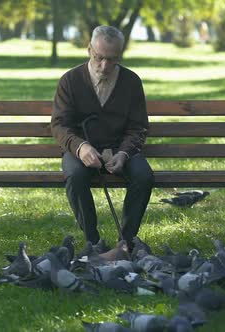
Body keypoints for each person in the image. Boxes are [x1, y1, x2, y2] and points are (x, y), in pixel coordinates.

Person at [51, 25, 154, 246]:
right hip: (81, 148)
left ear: (120, 55)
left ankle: (126, 241)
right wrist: (80, 147)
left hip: (121, 148)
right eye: (99, 58)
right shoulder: (70, 81)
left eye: (112, 59)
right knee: (75, 177)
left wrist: (125, 153)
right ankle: (93, 241)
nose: (105, 66)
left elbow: (138, 127)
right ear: (89, 50)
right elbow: (60, 125)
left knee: (144, 176)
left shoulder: (132, 82)